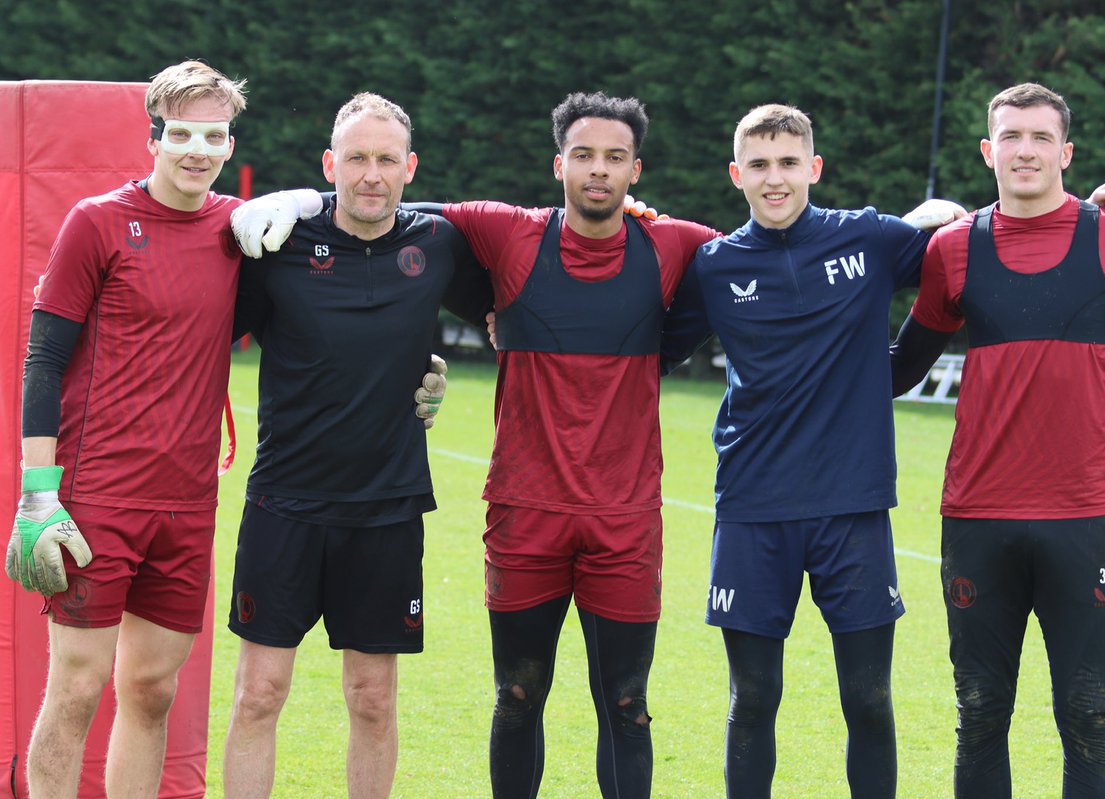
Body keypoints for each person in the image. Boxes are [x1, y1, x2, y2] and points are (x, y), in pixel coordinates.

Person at [233, 91, 723, 799]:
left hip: (529, 513)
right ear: (558, 163)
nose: (598, 169)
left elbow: (756, 251)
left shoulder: (663, 243)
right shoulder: (489, 232)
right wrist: (304, 199)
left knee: (615, 702)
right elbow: (373, 211)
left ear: (635, 169)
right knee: (504, 695)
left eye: (615, 158)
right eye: (584, 155)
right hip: (421, 508)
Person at [656, 103, 1105, 799]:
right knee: (752, 697)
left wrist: (1087, 216)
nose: (775, 178)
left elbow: (992, 247)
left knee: (870, 698)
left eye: (789, 162)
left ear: (814, 167)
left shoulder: (871, 239)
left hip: (853, 507)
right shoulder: (715, 266)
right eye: (758, 165)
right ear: (737, 175)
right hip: (752, 507)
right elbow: (647, 350)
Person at [889, 83, 1105, 798]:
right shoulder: (952, 249)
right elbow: (894, 373)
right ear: (988, 151)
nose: (1025, 151)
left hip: (1081, 519)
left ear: (1066, 153)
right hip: (977, 520)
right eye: (1011, 137)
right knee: (979, 715)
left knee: (1087, 715)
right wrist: (883, 253)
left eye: (1041, 137)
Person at [220, 92, 492, 799]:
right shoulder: (279, 245)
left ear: (411, 167)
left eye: (387, 159)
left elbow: (522, 289)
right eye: (356, 158)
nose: (372, 174)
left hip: (387, 507)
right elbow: (197, 318)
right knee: (258, 693)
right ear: (329, 163)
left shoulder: (438, 244)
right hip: (284, 503)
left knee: (372, 697)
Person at [4, 60, 245, 799]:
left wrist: (418, 373)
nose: (197, 150)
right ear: (154, 139)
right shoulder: (97, 221)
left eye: (214, 135)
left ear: (230, 145)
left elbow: (344, 267)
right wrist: (38, 493)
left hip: (187, 502)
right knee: (77, 687)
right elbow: (44, 359)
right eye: (182, 134)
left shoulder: (241, 230)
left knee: (151, 690)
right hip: (97, 496)